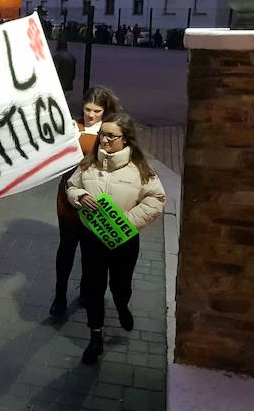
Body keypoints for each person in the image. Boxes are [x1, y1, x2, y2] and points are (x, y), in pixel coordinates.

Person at [66, 112, 165, 365]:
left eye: (111, 136)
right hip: (93, 241)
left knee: (121, 285)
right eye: (102, 134)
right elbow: (71, 185)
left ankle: (122, 305)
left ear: (125, 139)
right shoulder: (88, 164)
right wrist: (78, 196)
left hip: (125, 242)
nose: (105, 140)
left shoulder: (141, 169)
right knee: (93, 288)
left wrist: (126, 222)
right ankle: (95, 337)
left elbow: (156, 199)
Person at [50, 86, 121, 318]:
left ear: (105, 110)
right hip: (68, 196)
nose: (91, 115)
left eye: (97, 111)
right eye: (88, 109)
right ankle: (59, 297)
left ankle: (85, 291)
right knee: (67, 248)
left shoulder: (111, 132)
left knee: (91, 251)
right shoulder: (72, 126)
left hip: (95, 199)